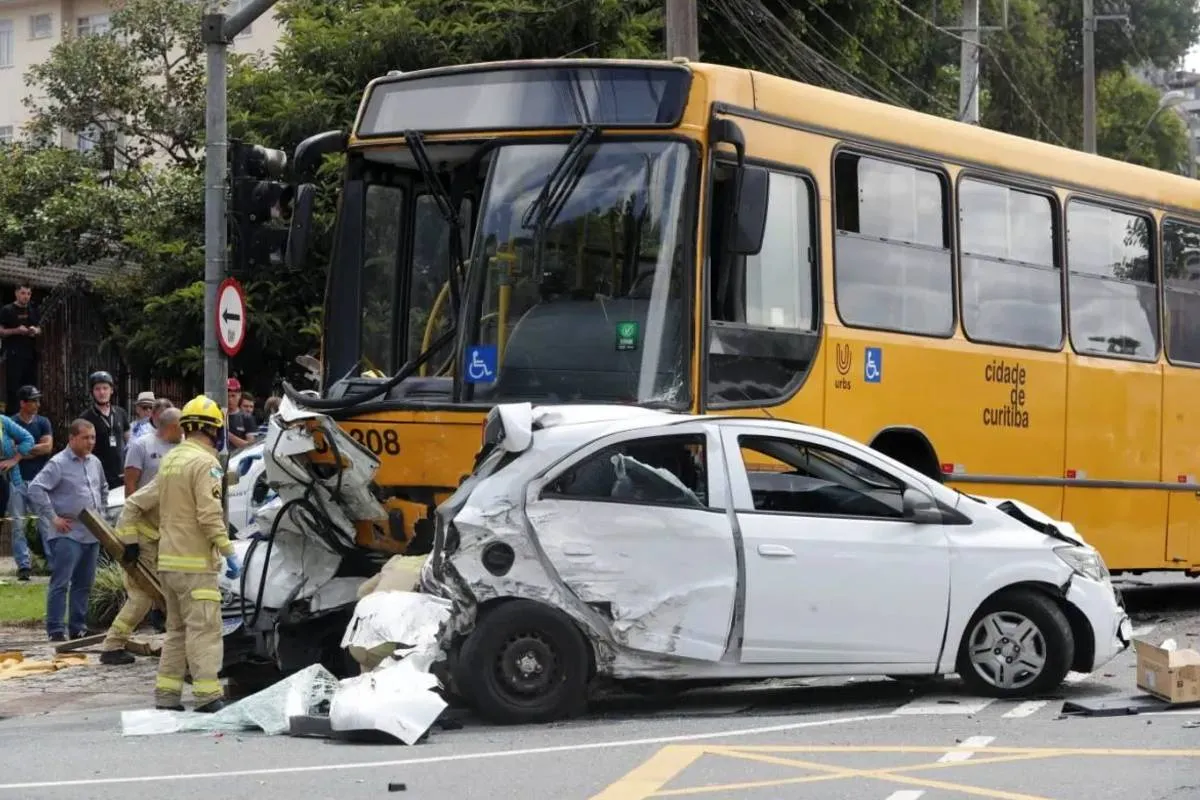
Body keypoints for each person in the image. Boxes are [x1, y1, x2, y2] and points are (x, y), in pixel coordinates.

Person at [153, 395, 240, 712]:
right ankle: (207, 695)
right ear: (215, 429)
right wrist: (228, 551)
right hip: (195, 563)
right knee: (204, 630)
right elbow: (208, 515)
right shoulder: (206, 464)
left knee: (175, 631)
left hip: (169, 561)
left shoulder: (171, 459)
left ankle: (167, 694)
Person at [29, 419, 107, 642]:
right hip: (67, 532)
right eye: (85, 438)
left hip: (91, 532)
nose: (90, 442)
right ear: (72, 439)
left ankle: (78, 626)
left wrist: (100, 513)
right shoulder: (58, 463)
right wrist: (53, 517)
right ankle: (55, 629)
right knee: (61, 581)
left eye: (93, 438)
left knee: (84, 583)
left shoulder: (95, 462)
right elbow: (36, 488)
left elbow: (102, 487)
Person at [98, 478, 162, 665]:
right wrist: (131, 541)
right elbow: (132, 505)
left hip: (152, 543)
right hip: (140, 544)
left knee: (156, 590)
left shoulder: (183, 482)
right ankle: (113, 645)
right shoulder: (168, 482)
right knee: (141, 597)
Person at [6, 386, 50, 581]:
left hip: (39, 480)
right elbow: (7, 450)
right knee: (18, 524)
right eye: (33, 400)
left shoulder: (43, 422)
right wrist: (32, 449)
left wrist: (21, 449)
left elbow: (47, 447)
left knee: (46, 522)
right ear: (23, 403)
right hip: (16, 479)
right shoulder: (11, 423)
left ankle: (53, 562)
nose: (38, 404)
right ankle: (24, 566)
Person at [80, 371, 130, 489]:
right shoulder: (86, 417)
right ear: (92, 392)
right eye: (97, 389)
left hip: (120, 473)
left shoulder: (120, 413)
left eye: (105, 388)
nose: (102, 392)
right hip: (97, 474)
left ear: (111, 390)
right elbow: (83, 449)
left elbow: (129, 441)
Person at [0, 284, 41, 414]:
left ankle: (29, 416)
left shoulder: (33, 310)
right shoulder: (7, 310)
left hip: (31, 355)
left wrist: (36, 330)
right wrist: (17, 330)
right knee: (13, 389)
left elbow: (40, 328)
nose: (26, 297)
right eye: (23, 293)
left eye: (28, 294)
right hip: (14, 355)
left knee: (30, 388)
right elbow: (1, 331)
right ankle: (12, 416)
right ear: (16, 293)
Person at [124, 407, 182, 495]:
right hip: (148, 506)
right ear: (172, 428)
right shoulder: (141, 445)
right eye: (181, 427)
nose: (183, 432)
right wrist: (133, 507)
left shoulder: (185, 445)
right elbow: (130, 484)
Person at [225, 378, 254, 449]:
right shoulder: (217, 415)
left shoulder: (247, 418)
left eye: (233, 396)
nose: (230, 400)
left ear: (239, 395)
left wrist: (227, 435)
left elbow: (251, 446)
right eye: (227, 396)